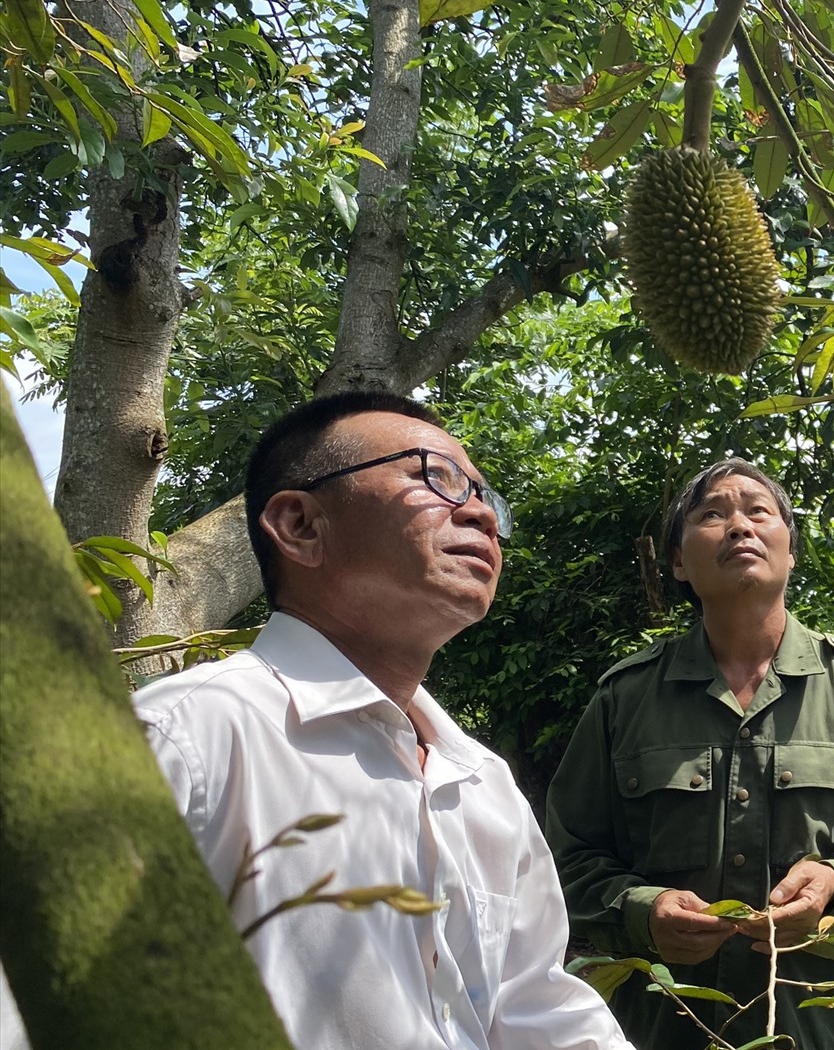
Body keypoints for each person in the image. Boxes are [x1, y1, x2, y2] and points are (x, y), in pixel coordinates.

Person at [130, 392, 632, 1050]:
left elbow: (539, 1010)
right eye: (437, 476)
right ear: (302, 525)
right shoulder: (186, 736)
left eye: (485, 493)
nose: (479, 511)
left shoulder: (484, 784)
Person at [545, 458, 834, 1050]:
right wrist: (641, 909)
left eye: (759, 511)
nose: (739, 526)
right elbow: (565, 858)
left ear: (791, 550)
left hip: (808, 1026)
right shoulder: (623, 698)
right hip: (660, 1027)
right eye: (712, 514)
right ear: (677, 562)